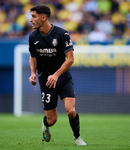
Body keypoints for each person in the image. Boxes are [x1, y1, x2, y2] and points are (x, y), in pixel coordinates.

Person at [28, 4, 86, 145]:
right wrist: (32, 73)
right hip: (46, 82)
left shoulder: (62, 34)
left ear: (43, 18)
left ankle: (77, 137)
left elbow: (70, 59)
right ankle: (45, 124)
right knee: (52, 120)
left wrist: (56, 74)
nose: (30, 20)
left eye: (33, 16)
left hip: (63, 79)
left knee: (71, 111)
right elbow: (33, 56)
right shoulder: (32, 37)